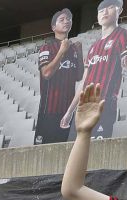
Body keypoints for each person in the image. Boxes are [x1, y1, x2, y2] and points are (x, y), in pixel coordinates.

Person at [63, 0, 127, 139]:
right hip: (83, 107)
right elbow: (83, 82)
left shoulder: (123, 35)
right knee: (72, 153)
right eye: (101, 10)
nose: (105, 12)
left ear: (119, 10)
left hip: (104, 104)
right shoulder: (93, 47)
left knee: (94, 155)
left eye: (110, 8)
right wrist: (69, 112)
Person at [36, 10, 84, 145]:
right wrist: (61, 52)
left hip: (67, 112)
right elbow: (46, 73)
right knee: (45, 153)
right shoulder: (47, 47)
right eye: (61, 20)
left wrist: (79, 54)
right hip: (49, 111)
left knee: (66, 151)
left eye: (68, 19)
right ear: (53, 27)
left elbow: (79, 76)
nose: (66, 21)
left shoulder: (74, 49)